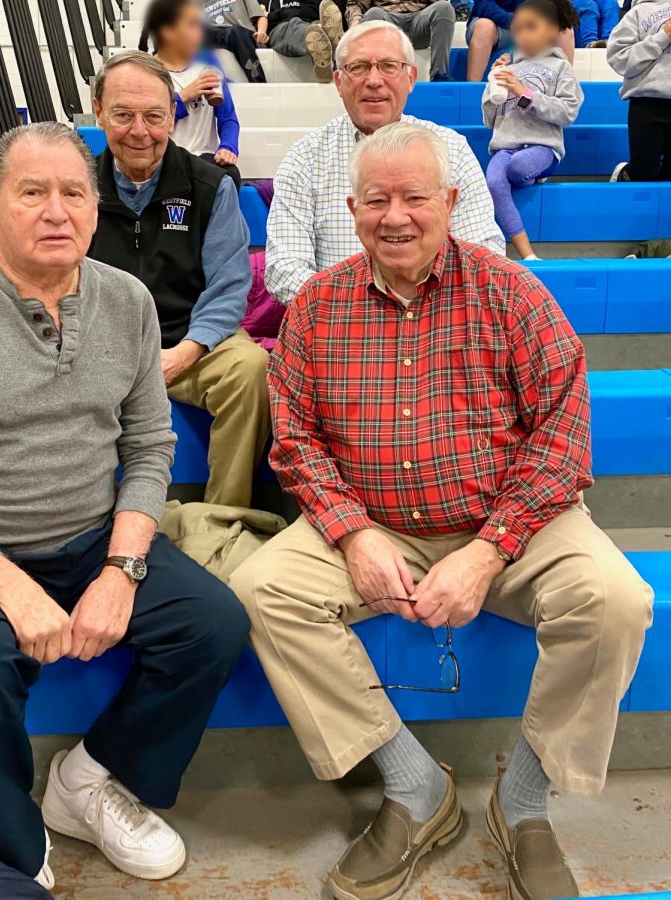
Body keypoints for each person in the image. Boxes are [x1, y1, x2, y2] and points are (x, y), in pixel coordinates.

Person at [229, 123, 653, 900]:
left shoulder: (513, 291)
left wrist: (490, 548)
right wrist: (351, 532)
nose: (396, 216)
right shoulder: (318, 307)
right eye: (377, 200)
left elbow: (562, 434)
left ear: (451, 202)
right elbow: (293, 438)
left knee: (618, 600)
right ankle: (415, 787)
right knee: (262, 588)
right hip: (376, 519)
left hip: (512, 522)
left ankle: (522, 804)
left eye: (415, 197)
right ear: (352, 209)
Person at [0, 123, 250, 889]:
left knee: (215, 624)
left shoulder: (127, 302)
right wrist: (9, 586)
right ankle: (17, 836)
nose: (56, 211)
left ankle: (90, 781)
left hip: (92, 533)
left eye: (73, 192)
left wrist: (123, 566)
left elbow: (147, 447)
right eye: (31, 192)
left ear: (95, 209)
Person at [89, 52, 270, 509]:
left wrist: (186, 352)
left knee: (250, 369)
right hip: (100, 351)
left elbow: (229, 286)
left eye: (153, 115)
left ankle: (222, 516)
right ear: (97, 112)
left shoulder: (211, 185)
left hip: (188, 347)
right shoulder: (77, 189)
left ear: (173, 114)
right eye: (123, 115)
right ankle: (79, 519)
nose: (139, 131)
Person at [265, 20, 505, 307]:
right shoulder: (305, 157)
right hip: (341, 326)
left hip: (438, 323)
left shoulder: (451, 149)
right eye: (358, 67)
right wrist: (355, 312)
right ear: (339, 82)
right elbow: (284, 268)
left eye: (389, 66)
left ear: (412, 78)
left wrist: (424, 314)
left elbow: (484, 251)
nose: (374, 80)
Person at [483, 0, 583, 260]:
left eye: (531, 28)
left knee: (516, 168)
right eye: (519, 29)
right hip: (505, 145)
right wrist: (492, 85)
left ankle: (535, 174)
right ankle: (527, 253)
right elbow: (489, 119)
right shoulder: (507, 67)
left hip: (543, 145)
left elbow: (568, 112)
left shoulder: (562, 68)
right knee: (494, 180)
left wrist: (522, 93)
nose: (524, 35)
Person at [140, 0, 242, 188]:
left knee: (230, 175)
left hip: (205, 162)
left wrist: (228, 147)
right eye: (192, 25)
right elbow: (148, 125)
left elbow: (228, 117)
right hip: (164, 162)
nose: (200, 33)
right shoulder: (149, 72)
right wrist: (184, 96)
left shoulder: (208, 66)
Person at [607, 0, 671, 182]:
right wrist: (663, 36)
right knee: (644, 169)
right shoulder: (637, 13)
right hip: (647, 102)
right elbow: (619, 58)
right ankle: (622, 175)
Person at [346, 0, 457, 81]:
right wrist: (355, 23)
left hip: (419, 19)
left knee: (445, 7)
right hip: (385, 19)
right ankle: (377, 74)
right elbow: (356, 4)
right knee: (373, 14)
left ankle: (439, 75)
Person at [466, 0, 575, 80]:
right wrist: (515, 21)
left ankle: (564, 84)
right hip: (493, 22)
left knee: (564, 29)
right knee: (484, 26)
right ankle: (471, 89)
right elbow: (483, 5)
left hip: (527, 23)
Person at [265, 0, 341, 83]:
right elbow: (268, 18)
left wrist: (280, 13)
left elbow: (317, 10)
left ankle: (324, 67)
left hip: (310, 22)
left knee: (317, 26)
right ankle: (330, 42)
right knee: (296, 28)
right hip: (282, 27)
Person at [202, 0, 269, 82]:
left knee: (235, 32)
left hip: (238, 33)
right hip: (214, 33)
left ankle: (259, 82)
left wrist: (261, 31)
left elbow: (260, 17)